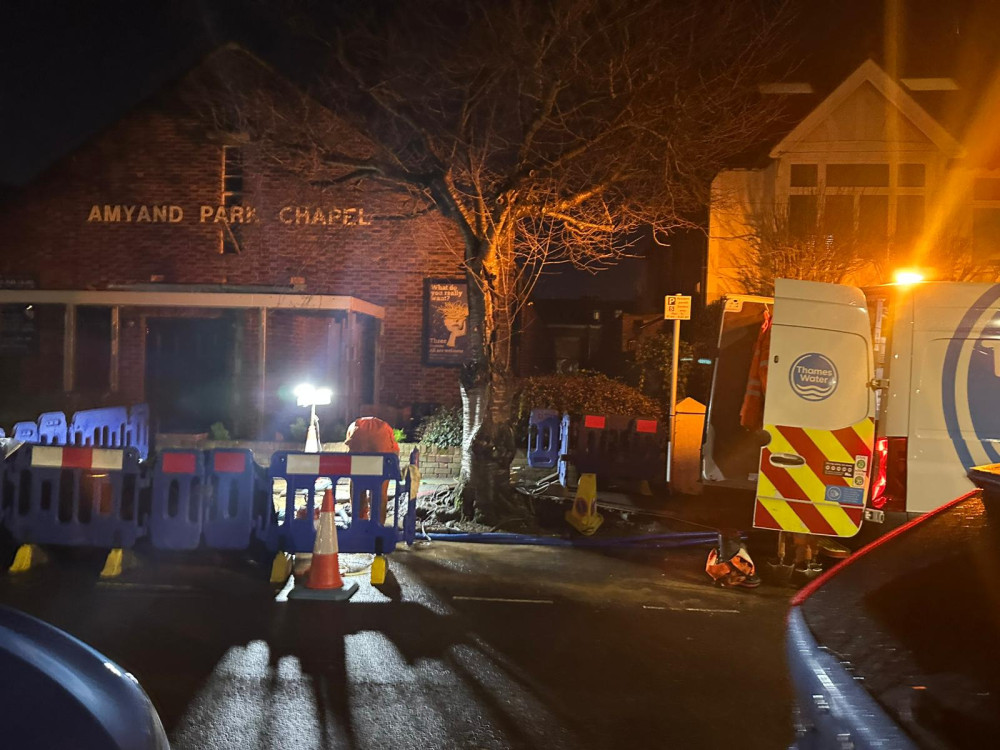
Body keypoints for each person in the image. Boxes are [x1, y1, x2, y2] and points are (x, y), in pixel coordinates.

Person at [345, 416, 399, 524]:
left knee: (356, 489)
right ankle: (378, 524)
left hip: (358, 466)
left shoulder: (354, 426)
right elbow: (394, 453)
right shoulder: (384, 429)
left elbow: (348, 452)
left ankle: (359, 521)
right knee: (380, 495)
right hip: (380, 468)